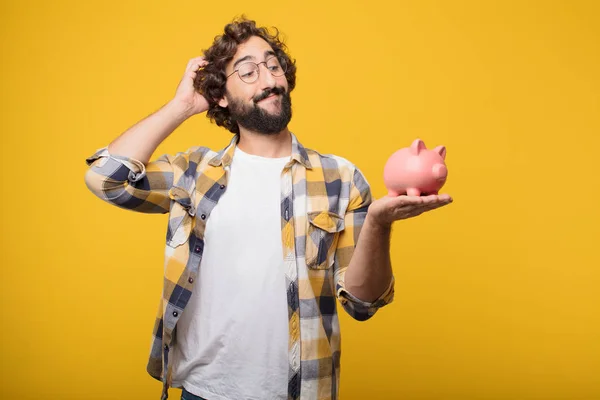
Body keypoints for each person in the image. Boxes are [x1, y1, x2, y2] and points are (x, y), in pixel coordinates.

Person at [84, 17, 452, 400]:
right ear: (221, 96)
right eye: (248, 71)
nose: (269, 79)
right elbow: (106, 178)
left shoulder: (340, 178)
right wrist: (181, 106)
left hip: (302, 392)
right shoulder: (192, 173)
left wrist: (378, 223)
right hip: (201, 393)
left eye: (273, 65)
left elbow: (363, 303)